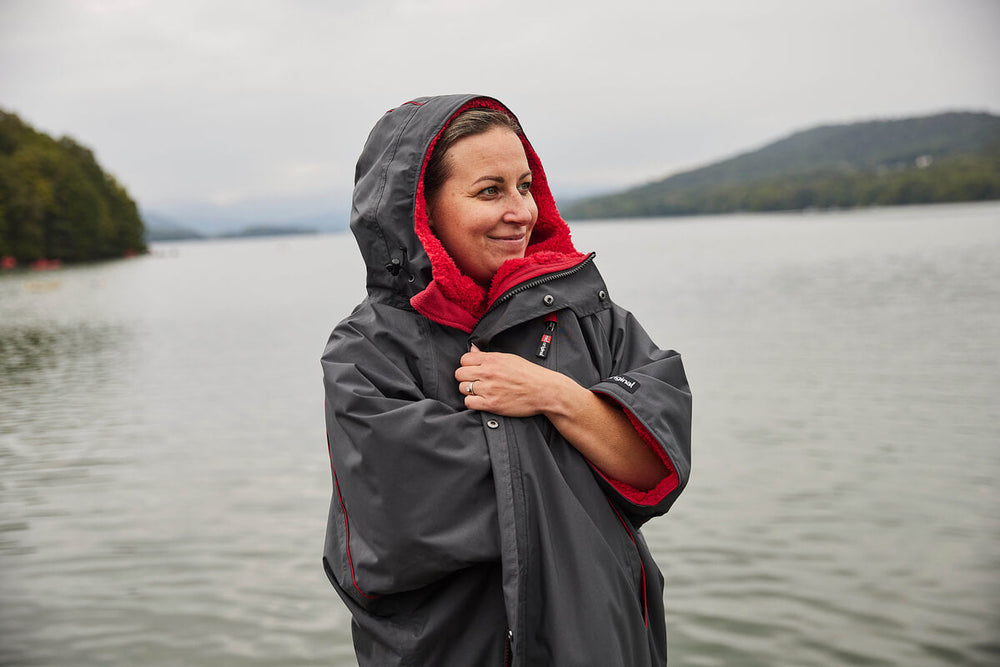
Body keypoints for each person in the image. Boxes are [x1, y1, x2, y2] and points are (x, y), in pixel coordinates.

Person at [321, 94, 692, 666]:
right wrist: (599, 430)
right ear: (420, 209)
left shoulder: (592, 318)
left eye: (525, 186)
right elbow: (405, 518)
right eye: (489, 191)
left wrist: (554, 394)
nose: (521, 211)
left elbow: (655, 468)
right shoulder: (368, 351)